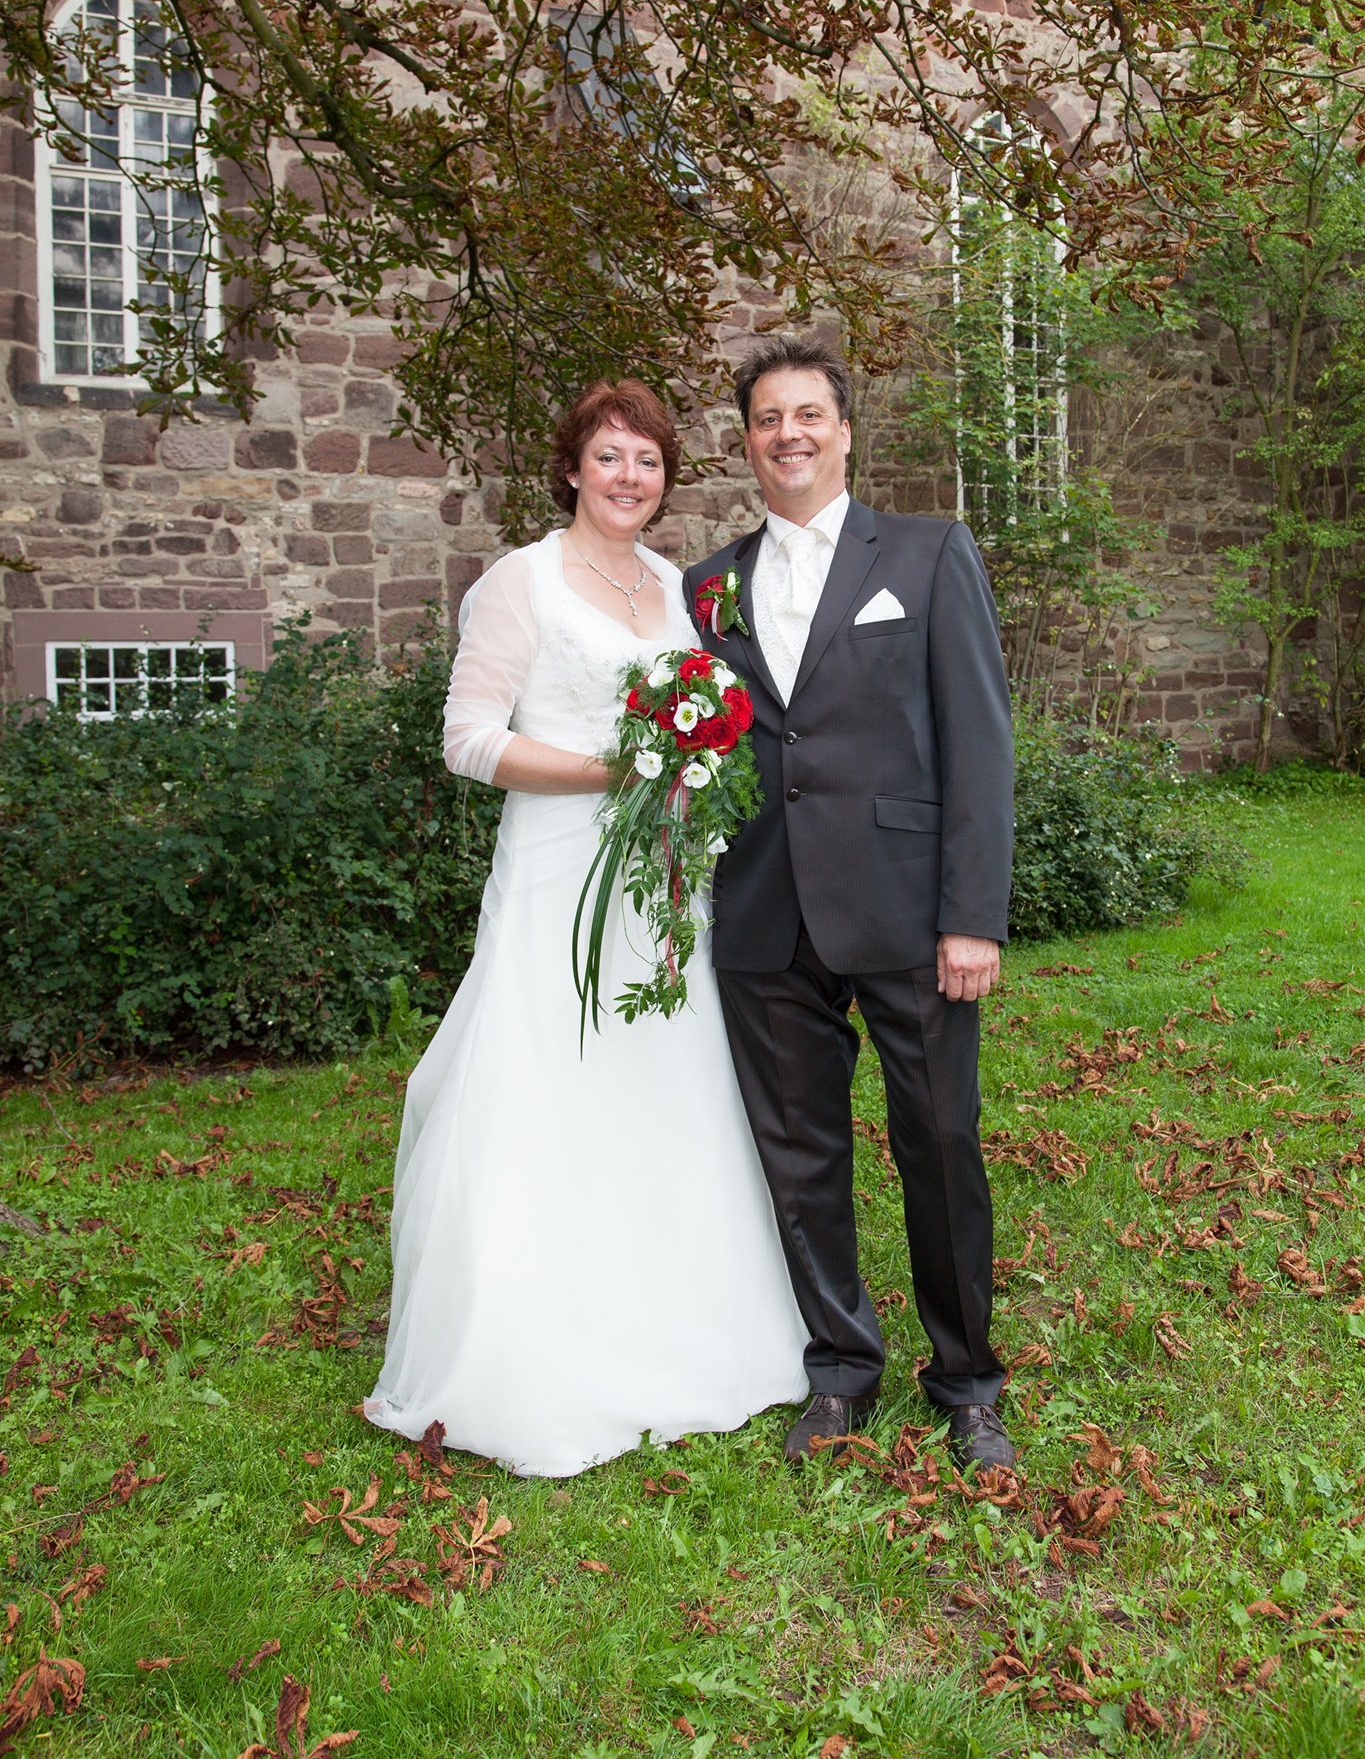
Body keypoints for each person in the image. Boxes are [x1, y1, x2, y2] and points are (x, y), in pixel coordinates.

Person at [365, 378, 807, 1478]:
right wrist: (614, 771)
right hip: (560, 873)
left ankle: (686, 1328)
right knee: (555, 1079)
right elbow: (469, 738)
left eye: (647, 461)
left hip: (664, 878)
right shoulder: (520, 581)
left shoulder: (676, 586)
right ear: (571, 468)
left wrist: (686, 781)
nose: (628, 477)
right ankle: (539, 1349)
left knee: (665, 1079)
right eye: (609, 456)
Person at [683, 333, 1016, 1471]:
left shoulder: (927, 553)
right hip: (765, 913)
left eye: (808, 414)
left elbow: (979, 744)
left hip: (909, 910)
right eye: (767, 419)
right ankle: (838, 1369)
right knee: (800, 1155)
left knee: (941, 1142)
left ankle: (966, 1382)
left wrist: (972, 914)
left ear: (843, 431)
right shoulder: (707, 587)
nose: (789, 434)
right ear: (747, 444)